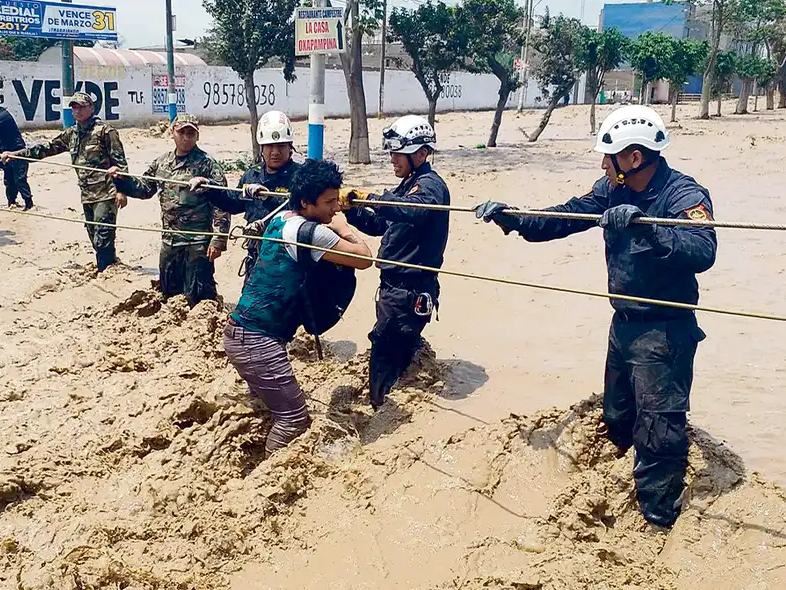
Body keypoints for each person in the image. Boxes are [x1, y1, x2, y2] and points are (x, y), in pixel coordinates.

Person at [474, 105, 717, 529]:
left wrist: (647, 228)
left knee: (659, 433)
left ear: (634, 158)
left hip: (664, 331)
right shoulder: (611, 190)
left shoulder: (683, 194)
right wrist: (512, 218)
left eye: (608, 156)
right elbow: (564, 217)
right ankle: (619, 487)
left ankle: (658, 523)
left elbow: (703, 251)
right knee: (619, 417)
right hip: (622, 327)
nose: (603, 164)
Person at [224, 159, 373, 453]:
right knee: (293, 419)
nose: (335, 208)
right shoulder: (309, 233)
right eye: (329, 202)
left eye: (337, 199)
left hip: (242, 334)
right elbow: (365, 258)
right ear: (306, 202)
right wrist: (344, 227)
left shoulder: (283, 219)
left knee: (270, 409)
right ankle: (266, 481)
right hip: (256, 340)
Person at [342, 115, 450, 409]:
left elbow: (413, 211)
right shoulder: (407, 186)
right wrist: (353, 208)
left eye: (398, 154)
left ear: (421, 154)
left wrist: (373, 197)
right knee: (394, 354)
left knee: (384, 354)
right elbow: (380, 224)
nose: (393, 160)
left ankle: (381, 414)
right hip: (394, 291)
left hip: (408, 291)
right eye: (391, 153)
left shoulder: (430, 187)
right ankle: (389, 403)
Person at [3, 92, 135, 273]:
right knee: (93, 234)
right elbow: (47, 149)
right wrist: (16, 155)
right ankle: (110, 266)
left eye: (81, 107)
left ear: (91, 108)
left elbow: (120, 164)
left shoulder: (105, 131)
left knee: (103, 235)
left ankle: (106, 272)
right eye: (74, 107)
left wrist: (123, 191)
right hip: (86, 194)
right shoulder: (71, 133)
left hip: (107, 191)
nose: (77, 111)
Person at [119, 113, 231, 306]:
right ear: (172, 133)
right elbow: (144, 189)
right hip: (170, 239)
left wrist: (219, 239)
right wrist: (120, 180)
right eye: (182, 132)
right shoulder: (161, 163)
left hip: (198, 242)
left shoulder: (207, 164)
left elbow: (223, 202)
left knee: (199, 293)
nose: (186, 137)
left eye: (191, 133)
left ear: (197, 136)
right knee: (170, 292)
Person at [205, 110, 297, 281]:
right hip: (256, 255)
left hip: (288, 258)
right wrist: (208, 188)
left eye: (281, 146)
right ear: (261, 148)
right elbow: (233, 204)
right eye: (269, 146)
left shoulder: (300, 177)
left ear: (290, 147)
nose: (275, 152)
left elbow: (310, 209)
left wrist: (268, 197)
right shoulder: (252, 175)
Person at [0, 91, 32, 210]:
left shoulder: (2, 116)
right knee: (9, 180)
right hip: (5, 153)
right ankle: (12, 202)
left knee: (20, 180)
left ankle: (29, 203)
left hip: (17, 151)